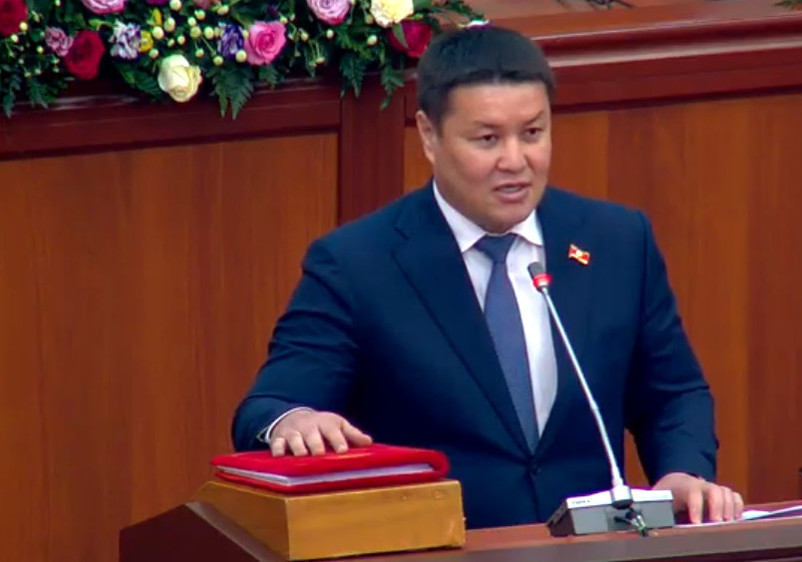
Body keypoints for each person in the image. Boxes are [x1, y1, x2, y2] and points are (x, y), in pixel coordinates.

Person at [231, 24, 743, 529]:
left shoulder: (617, 240)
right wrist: (295, 420)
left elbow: (673, 393)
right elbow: (268, 406)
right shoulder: (356, 264)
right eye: (487, 139)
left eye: (532, 133)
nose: (515, 161)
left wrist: (683, 472)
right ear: (429, 135)